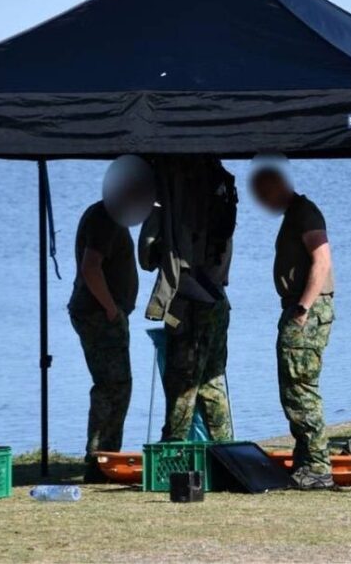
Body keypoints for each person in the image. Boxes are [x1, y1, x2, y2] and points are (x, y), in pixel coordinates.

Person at [250, 154, 336, 490]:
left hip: (307, 313)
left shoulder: (305, 213)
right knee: (294, 389)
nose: (263, 201)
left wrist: (302, 307)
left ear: (278, 186)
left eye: (264, 192)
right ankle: (306, 459)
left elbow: (322, 260)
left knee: (300, 390)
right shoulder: (296, 214)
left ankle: (317, 466)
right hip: (302, 309)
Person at [139, 157, 237, 442]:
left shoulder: (169, 188)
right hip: (218, 296)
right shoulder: (223, 186)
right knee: (212, 381)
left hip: (188, 298)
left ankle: (174, 448)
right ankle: (224, 450)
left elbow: (146, 253)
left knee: (182, 382)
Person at [69, 155, 154, 483]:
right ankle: (100, 459)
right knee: (113, 387)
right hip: (99, 315)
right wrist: (110, 309)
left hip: (98, 312)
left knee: (114, 385)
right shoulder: (106, 217)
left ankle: (103, 455)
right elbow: (91, 267)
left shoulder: (103, 213)